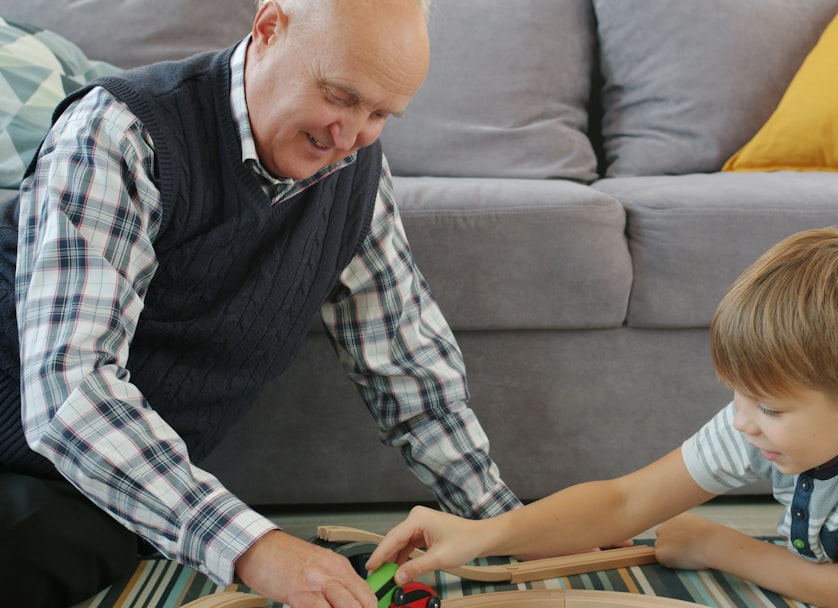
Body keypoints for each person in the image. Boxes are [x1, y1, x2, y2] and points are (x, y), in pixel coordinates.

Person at [0, 1, 523, 607]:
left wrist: (502, 527)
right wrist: (259, 549)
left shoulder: (353, 170)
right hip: (35, 437)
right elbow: (71, 388)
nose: (351, 135)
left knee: (90, 537)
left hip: (98, 488)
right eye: (340, 96)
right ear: (270, 28)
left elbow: (405, 360)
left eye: (380, 113)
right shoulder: (118, 132)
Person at [367, 226, 838, 607]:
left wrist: (718, 545)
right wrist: (486, 533)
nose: (741, 423)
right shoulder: (777, 411)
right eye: (739, 396)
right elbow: (625, 500)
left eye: (765, 407)